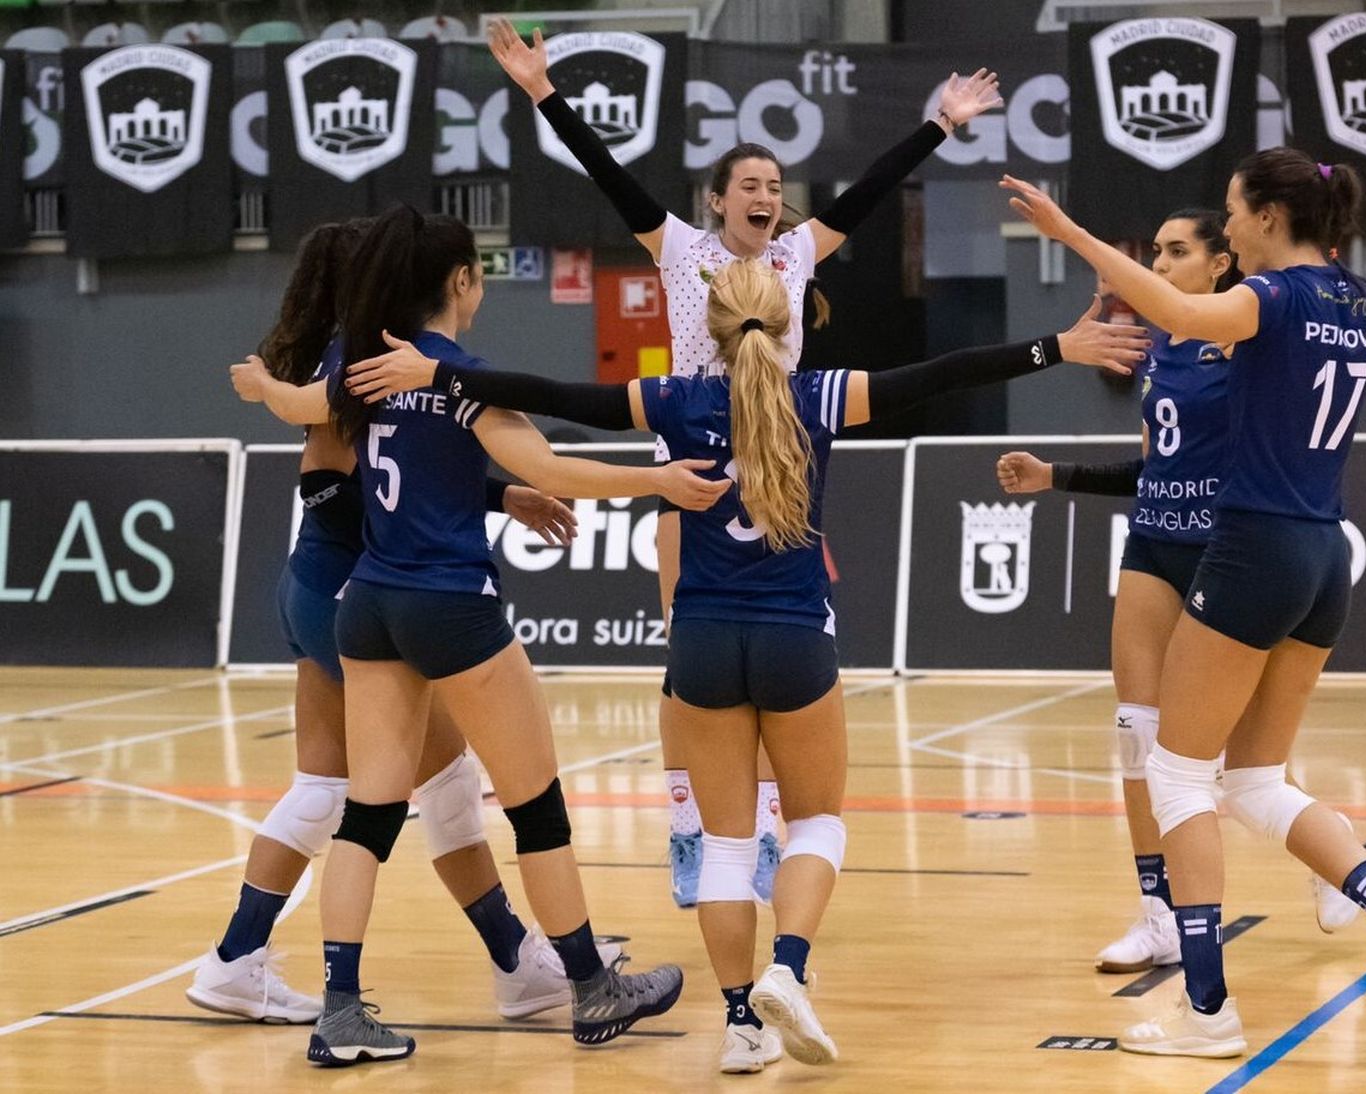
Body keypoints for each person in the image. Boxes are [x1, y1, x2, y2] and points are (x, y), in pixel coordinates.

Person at [340, 256, 1144, 1073]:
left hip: (701, 641)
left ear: (711, 328)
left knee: (725, 845)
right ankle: (787, 971)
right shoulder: (821, 396)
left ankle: (738, 1026)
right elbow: (943, 374)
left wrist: (437, 370)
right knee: (818, 822)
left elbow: (554, 394)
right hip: (793, 635)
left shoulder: (676, 399)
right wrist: (1056, 348)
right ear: (787, 324)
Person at [488, 17, 1005, 908]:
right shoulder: (681, 251)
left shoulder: (796, 254)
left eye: (775, 185)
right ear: (719, 201)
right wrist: (543, 93)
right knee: (687, 669)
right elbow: (609, 176)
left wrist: (941, 121)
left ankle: (763, 830)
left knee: (775, 667)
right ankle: (689, 826)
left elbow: (873, 189)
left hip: (779, 462)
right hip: (688, 464)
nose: (768, 195)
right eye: (751, 185)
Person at [1002, 149, 1366, 1058]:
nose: (1229, 226)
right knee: (1253, 781)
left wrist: (1067, 234)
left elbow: (1175, 310)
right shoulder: (1361, 302)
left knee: (1178, 773)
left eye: (1233, 211)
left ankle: (1207, 1012)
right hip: (1325, 552)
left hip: (1254, 545)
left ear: (1265, 218)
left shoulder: (1279, 298)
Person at [239, 205, 727, 1067]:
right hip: (450, 603)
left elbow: (294, 404)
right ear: (460, 281)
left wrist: (259, 385)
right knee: (536, 806)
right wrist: (658, 479)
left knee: (368, 815)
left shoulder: (359, 365)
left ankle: (341, 1009)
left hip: (368, 604)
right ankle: (591, 987)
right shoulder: (460, 373)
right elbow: (549, 466)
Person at [203, 220, 618, 1027]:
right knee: (422, 792)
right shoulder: (373, 364)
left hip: (334, 591)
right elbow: (347, 489)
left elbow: (401, 461)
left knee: (341, 791)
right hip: (350, 589)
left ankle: (243, 961)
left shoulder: (361, 363)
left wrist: (496, 495)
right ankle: (522, 963)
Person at [995, 210, 1361, 976]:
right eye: (1154, 250)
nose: (1160, 263)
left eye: (1176, 250)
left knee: (1232, 758)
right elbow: (1153, 469)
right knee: (1137, 733)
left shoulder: (1251, 345)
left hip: (1229, 549)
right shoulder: (1161, 347)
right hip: (1154, 545)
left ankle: (1332, 859)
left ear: (1219, 264)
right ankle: (1158, 916)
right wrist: (1053, 476)